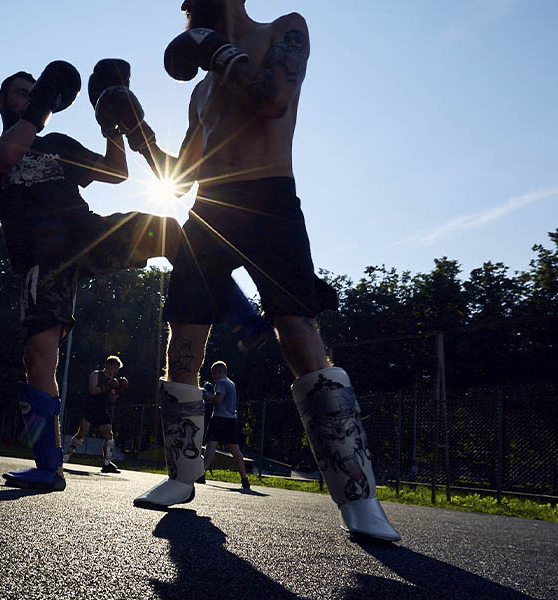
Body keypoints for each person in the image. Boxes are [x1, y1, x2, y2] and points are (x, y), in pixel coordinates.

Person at [126, 1, 401, 543]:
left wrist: (218, 50)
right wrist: (136, 132)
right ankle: (181, 475)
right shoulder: (200, 90)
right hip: (210, 208)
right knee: (183, 337)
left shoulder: (284, 31)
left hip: (270, 198)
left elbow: (273, 100)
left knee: (298, 331)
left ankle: (356, 495)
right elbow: (182, 175)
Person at [0, 59, 268, 492]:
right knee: (38, 355)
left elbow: (117, 171)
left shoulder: (59, 143)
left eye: (36, 91)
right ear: (2, 101)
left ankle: (242, 314)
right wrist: (42, 105)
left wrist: (111, 121)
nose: (30, 98)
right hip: (41, 258)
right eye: (21, 92)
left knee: (170, 230)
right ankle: (48, 467)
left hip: (86, 235)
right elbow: (5, 156)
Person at [64, 355, 129, 473]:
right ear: (108, 365)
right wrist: (106, 386)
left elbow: (112, 399)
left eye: (117, 370)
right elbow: (92, 390)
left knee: (109, 436)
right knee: (81, 434)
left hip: (101, 410)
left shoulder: (113, 381)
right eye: (115, 368)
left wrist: (119, 390)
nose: (116, 371)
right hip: (91, 408)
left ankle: (107, 464)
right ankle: (65, 456)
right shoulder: (96, 374)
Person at [198, 361, 250, 489]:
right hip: (231, 420)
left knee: (211, 445)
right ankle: (244, 479)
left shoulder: (221, 382)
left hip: (219, 418)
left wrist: (206, 396)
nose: (213, 377)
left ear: (220, 372)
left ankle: (202, 474)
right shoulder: (231, 383)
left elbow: (218, 400)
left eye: (214, 373)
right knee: (235, 450)